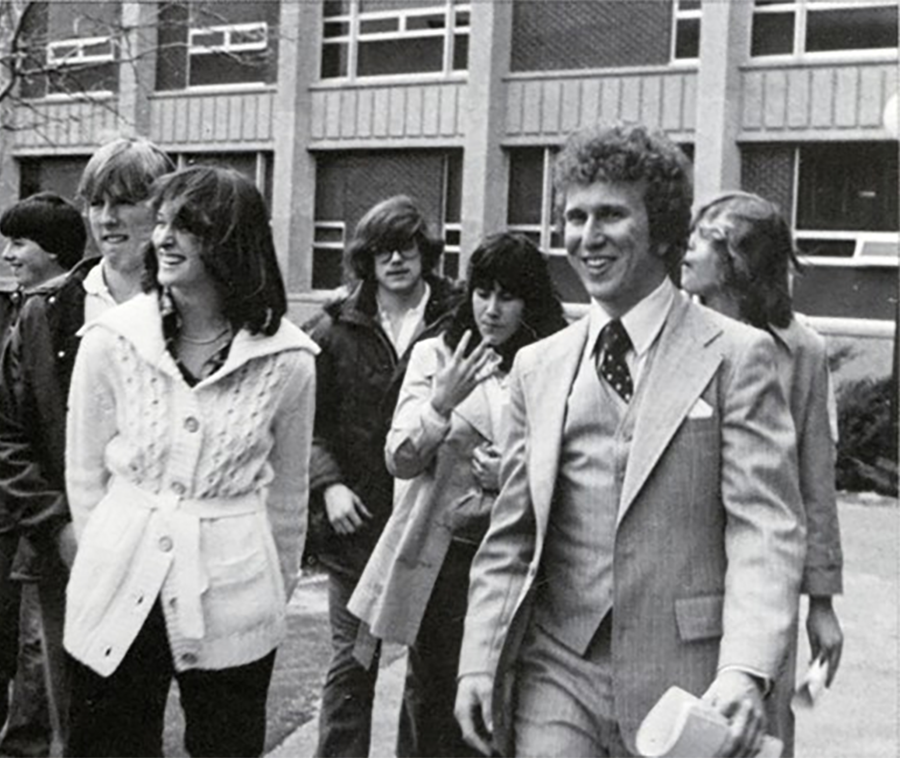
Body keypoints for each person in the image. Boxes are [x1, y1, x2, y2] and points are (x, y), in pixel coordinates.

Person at [452, 123, 806, 758]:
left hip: (690, 678)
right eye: (575, 216)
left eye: (611, 214)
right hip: (556, 669)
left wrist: (745, 668)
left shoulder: (737, 356)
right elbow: (512, 533)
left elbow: (764, 528)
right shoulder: (539, 367)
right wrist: (478, 658)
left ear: (664, 230)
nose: (589, 236)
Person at [62, 165, 316, 758]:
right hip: (120, 580)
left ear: (232, 241)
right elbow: (84, 473)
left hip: (234, 590)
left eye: (188, 226)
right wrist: (101, 560)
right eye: (164, 222)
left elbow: (289, 496)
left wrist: (274, 592)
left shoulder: (290, 360)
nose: (164, 238)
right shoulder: (112, 339)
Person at [0, 137, 174, 747]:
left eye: (127, 201)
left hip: (165, 543)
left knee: (150, 715)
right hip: (70, 550)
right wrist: (58, 527)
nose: (108, 218)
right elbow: (3, 434)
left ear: (163, 206)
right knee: (80, 721)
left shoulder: (191, 307)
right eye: (96, 202)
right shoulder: (47, 313)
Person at [350, 233, 566, 758]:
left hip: (520, 558)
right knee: (432, 703)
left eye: (507, 297)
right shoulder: (438, 351)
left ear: (530, 301)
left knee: (506, 705)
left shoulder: (553, 360)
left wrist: (511, 472)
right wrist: (440, 406)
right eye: (482, 292)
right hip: (443, 559)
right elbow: (399, 457)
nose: (491, 310)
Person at [681, 191, 844, 758]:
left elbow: (814, 482)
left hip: (765, 579)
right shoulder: (668, 332)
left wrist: (820, 603)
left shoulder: (803, 351)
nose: (687, 249)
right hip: (678, 569)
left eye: (704, 238)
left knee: (755, 736)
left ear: (739, 260)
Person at [304, 195, 460, 757]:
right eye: (381, 251)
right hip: (359, 529)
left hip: (431, 525)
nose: (396, 260)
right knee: (352, 668)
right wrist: (328, 485)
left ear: (426, 253)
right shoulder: (332, 327)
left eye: (408, 247)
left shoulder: (458, 318)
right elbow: (305, 421)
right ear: (364, 260)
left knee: (432, 671)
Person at [0, 191, 87, 755]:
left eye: (19, 243)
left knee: (42, 639)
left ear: (55, 252)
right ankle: (5, 703)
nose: (8, 253)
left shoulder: (71, 311)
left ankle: (28, 736)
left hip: (49, 494)